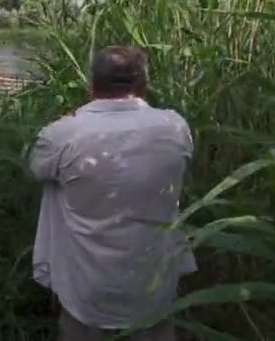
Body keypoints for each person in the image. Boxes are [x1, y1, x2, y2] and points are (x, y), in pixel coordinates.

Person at [27, 46, 197, 341]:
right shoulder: (175, 126)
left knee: (56, 180)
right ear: (143, 86)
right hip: (153, 288)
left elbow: (35, 168)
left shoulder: (62, 134)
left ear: (92, 85)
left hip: (87, 294)